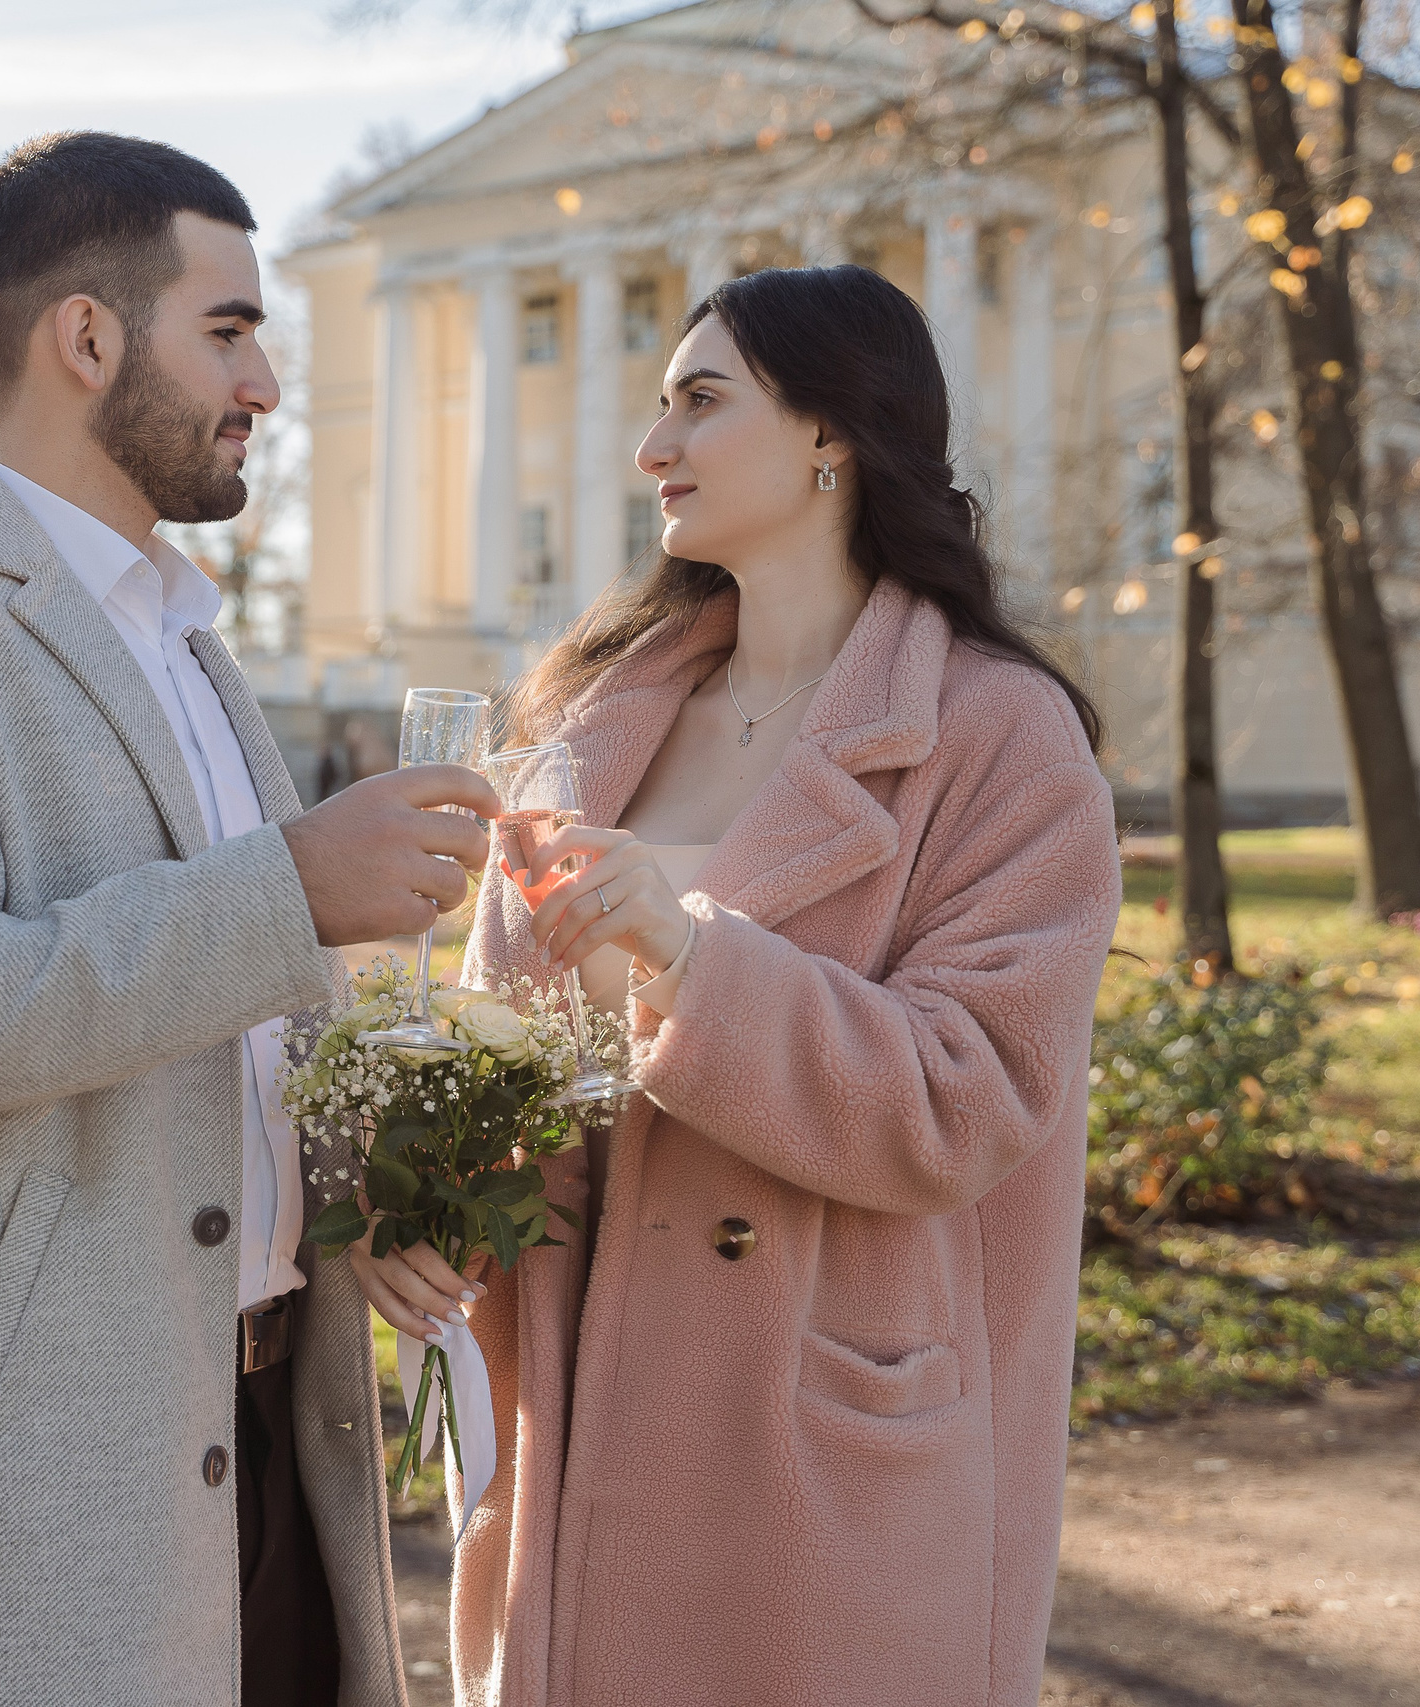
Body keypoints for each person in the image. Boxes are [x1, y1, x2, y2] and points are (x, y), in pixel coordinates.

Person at [0, 131, 496, 1707]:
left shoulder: (195, 649)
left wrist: (367, 1184)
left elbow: (230, 1037)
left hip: (283, 1445)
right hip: (47, 1481)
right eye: (228, 330)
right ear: (86, 340)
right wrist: (290, 888)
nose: (269, 386)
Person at [349, 264, 1123, 1706]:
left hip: (817, 1473)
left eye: (701, 403)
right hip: (575, 1442)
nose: (653, 450)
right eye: (657, 408)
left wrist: (694, 956)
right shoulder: (589, 722)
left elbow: (976, 1092)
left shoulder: (999, 737)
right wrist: (426, 1212)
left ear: (832, 433)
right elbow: (499, 1047)